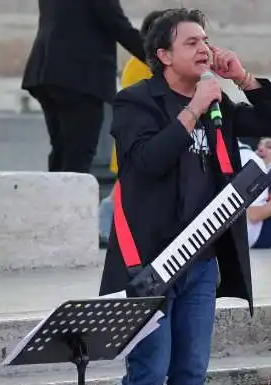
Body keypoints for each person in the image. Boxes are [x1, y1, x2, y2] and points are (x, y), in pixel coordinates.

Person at [95, 8, 271, 385]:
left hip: (202, 262)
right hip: (151, 264)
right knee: (149, 371)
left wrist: (242, 79)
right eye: (191, 42)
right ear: (163, 55)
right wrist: (191, 112)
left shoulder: (219, 102)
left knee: (191, 373)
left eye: (206, 40)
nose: (204, 48)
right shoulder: (136, 101)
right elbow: (144, 163)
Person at [22, 0, 145, 174]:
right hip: (79, 77)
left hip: (46, 71)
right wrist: (161, 59)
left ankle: (53, 199)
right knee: (77, 159)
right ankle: (69, 201)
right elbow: (117, 25)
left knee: (61, 152)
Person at [99, 9, 168, 246]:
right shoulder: (144, 65)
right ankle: (107, 229)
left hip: (135, 144)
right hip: (139, 144)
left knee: (126, 192)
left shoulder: (136, 63)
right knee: (125, 194)